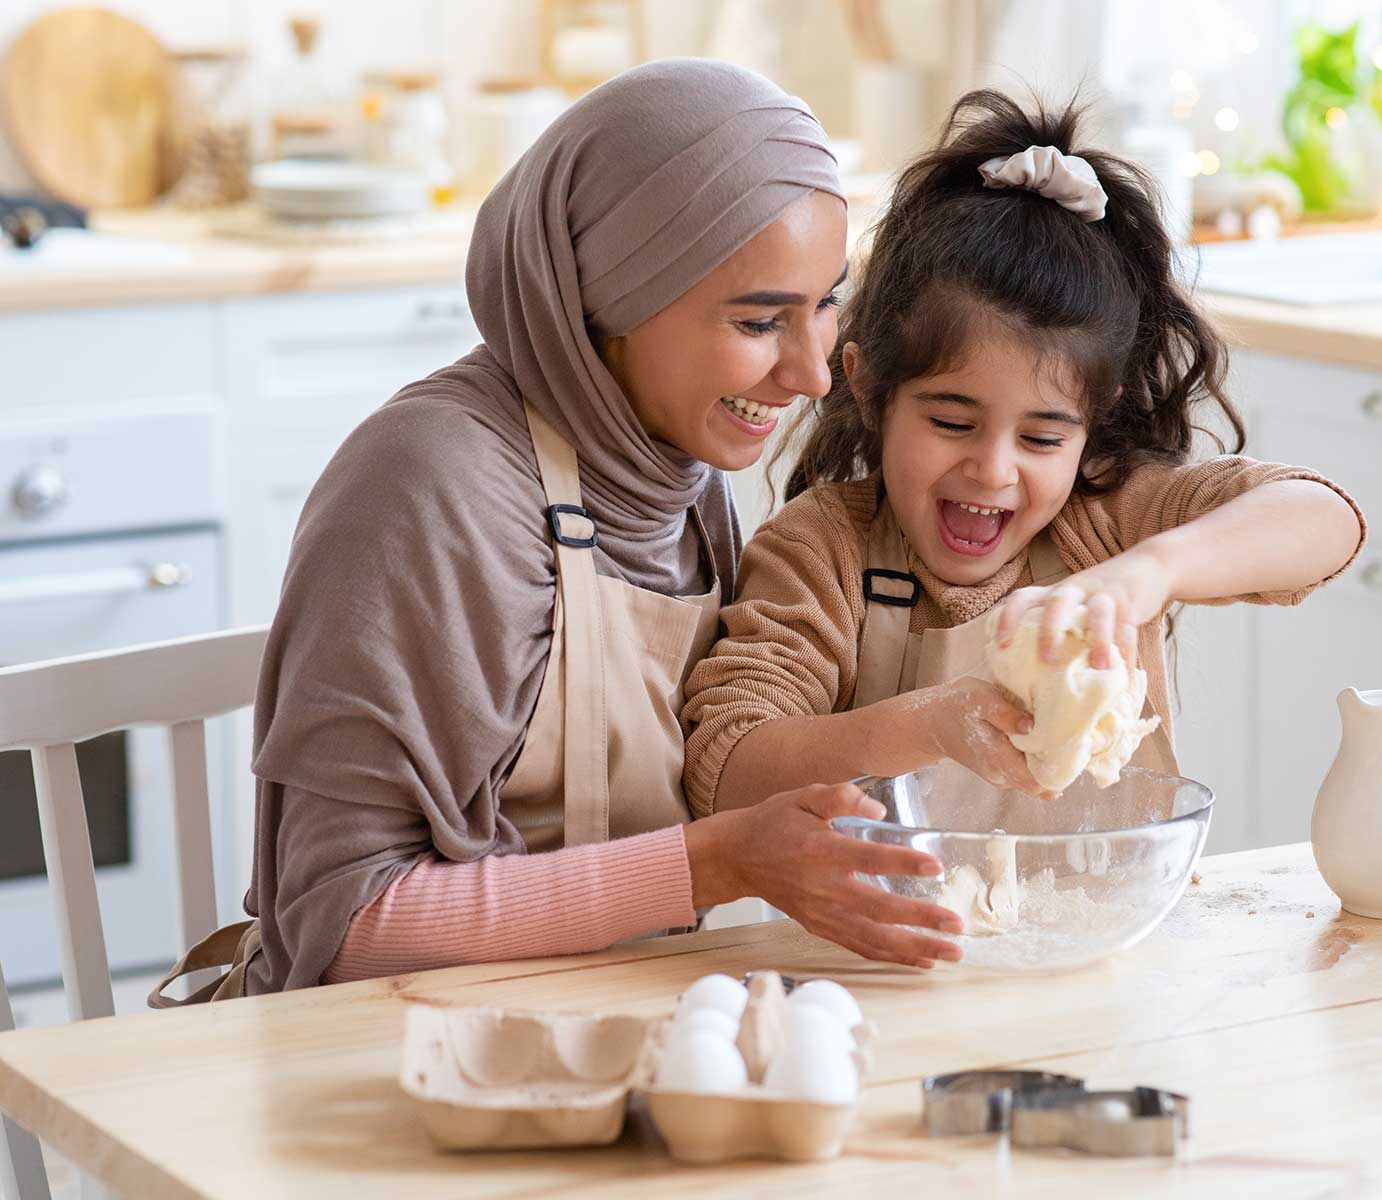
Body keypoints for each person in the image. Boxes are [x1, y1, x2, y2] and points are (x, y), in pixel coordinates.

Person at [153, 59, 961, 1003]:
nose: (814, 375)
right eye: (757, 320)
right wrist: (717, 863)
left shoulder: (679, 471)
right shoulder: (430, 488)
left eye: (826, 302)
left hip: (599, 1030)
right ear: (605, 303)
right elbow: (341, 928)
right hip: (376, 1061)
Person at [680, 89, 1367, 951]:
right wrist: (931, 726)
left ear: (1094, 421)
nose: (993, 469)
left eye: (1043, 435)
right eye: (952, 422)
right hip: (883, 970)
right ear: (865, 383)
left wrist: (1149, 570)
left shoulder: (1103, 522)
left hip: (1105, 951)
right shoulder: (824, 549)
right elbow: (730, 771)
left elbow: (1323, 521)